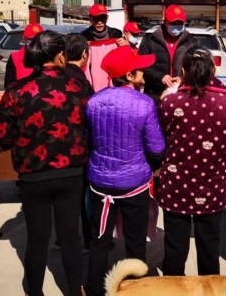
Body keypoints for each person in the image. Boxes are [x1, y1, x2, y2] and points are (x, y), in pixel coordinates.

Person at [0, 30, 91, 296]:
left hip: (32, 174)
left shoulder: (17, 91)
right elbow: (91, 124)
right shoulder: (78, 87)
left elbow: (1, 137)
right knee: (69, 237)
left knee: (37, 238)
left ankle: (34, 291)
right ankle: (75, 290)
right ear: (60, 55)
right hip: (71, 173)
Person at [158, 47, 226, 276]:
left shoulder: (169, 103)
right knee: (209, 248)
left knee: (174, 248)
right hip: (214, 186)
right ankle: (209, 289)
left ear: (183, 71)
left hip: (175, 186)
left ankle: (173, 289)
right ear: (213, 70)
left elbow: (156, 143)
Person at [84, 46, 165, 296]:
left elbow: (89, 139)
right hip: (134, 184)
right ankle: (135, 289)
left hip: (100, 183)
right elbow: (156, 147)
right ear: (129, 75)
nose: (145, 73)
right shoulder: (145, 103)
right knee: (135, 241)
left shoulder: (94, 101)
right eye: (140, 70)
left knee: (99, 241)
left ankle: (94, 289)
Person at [65, 32, 95, 250]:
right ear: (85, 54)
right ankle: (88, 239)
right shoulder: (81, 83)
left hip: (54, 150)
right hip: (78, 149)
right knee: (84, 197)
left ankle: (64, 239)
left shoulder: (56, 77)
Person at [138, 4, 196, 101]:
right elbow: (141, 65)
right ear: (165, 21)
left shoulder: (191, 42)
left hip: (182, 94)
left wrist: (182, 79)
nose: (176, 26)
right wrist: (160, 76)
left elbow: (196, 68)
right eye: (173, 23)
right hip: (154, 93)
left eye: (180, 23)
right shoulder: (150, 40)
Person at [82, 4, 123, 92]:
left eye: (102, 18)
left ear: (107, 19)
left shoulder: (116, 34)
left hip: (114, 76)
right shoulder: (84, 36)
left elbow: (125, 57)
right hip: (95, 77)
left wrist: (126, 45)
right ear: (90, 19)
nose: (99, 22)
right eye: (96, 18)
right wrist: (82, 47)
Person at [4, 23, 44, 88]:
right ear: (24, 39)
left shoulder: (48, 56)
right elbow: (9, 85)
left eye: (38, 40)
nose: (35, 43)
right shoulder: (15, 58)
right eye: (31, 40)